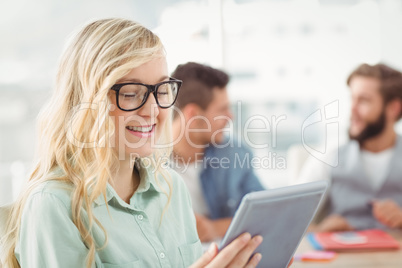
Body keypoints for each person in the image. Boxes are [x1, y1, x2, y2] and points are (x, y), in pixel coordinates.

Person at [0, 18, 265, 268]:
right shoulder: (53, 205)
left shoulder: (171, 188)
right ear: (86, 102)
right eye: (130, 93)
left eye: (161, 90)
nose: (153, 110)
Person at [298, 63, 402, 232]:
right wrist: (322, 230)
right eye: (352, 99)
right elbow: (290, 222)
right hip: (343, 257)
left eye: (364, 100)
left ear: (393, 108)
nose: (352, 110)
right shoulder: (329, 155)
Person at [170, 62, 265, 242]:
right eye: (222, 110)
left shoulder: (235, 153)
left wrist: (214, 228)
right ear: (193, 114)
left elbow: (265, 212)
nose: (231, 117)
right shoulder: (145, 163)